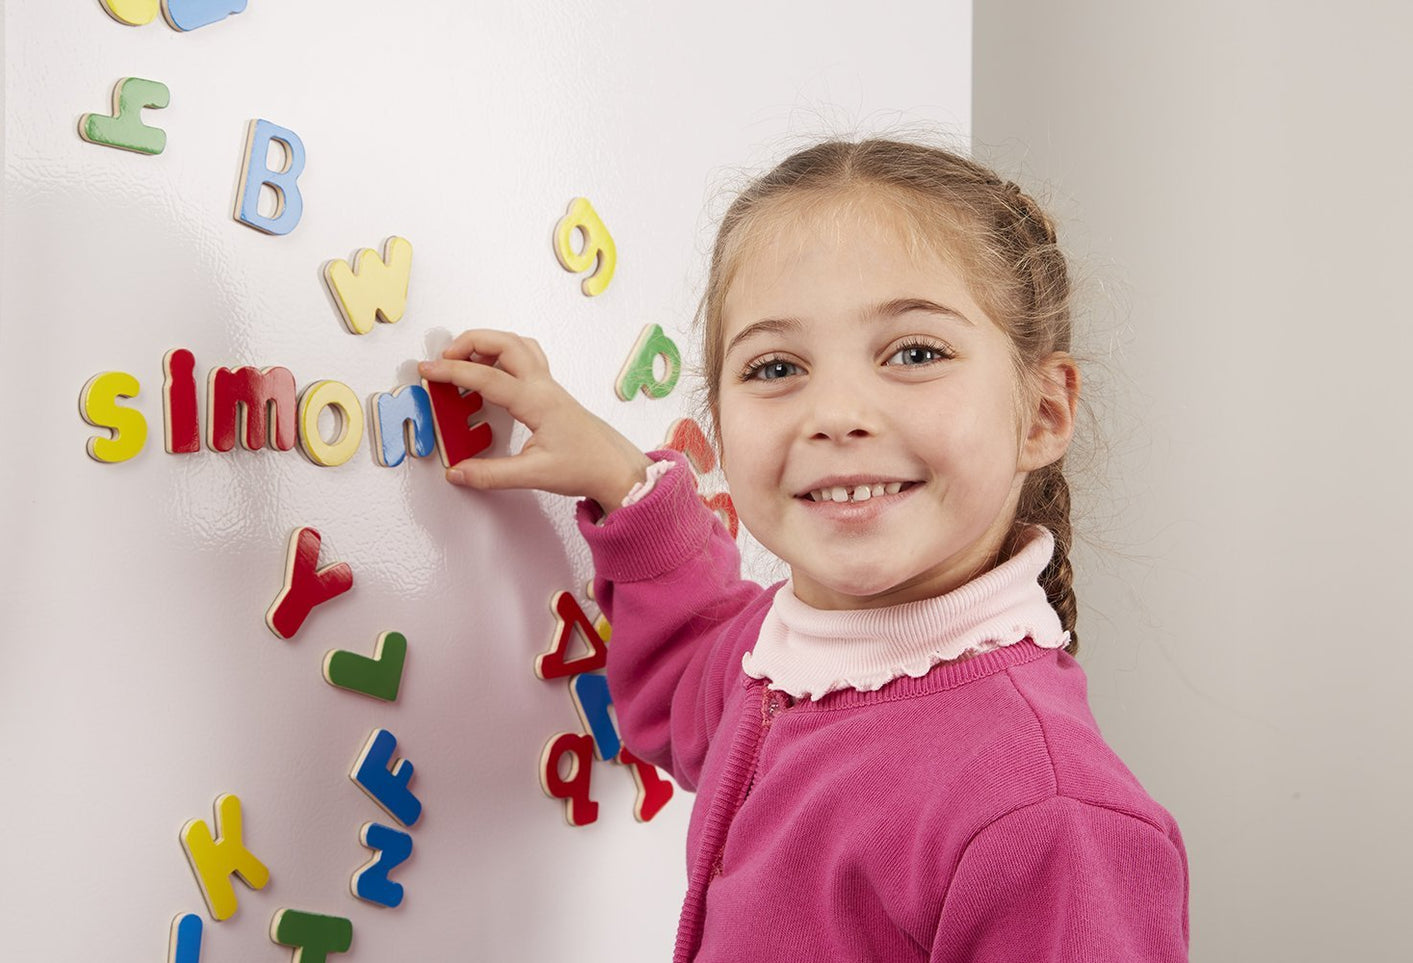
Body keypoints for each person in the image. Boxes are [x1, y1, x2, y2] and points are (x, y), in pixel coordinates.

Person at [419, 139, 1190, 962]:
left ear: (1040, 412)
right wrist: (622, 479)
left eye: (914, 353)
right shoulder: (782, 661)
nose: (836, 411)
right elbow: (689, 669)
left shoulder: (1049, 816)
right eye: (776, 366)